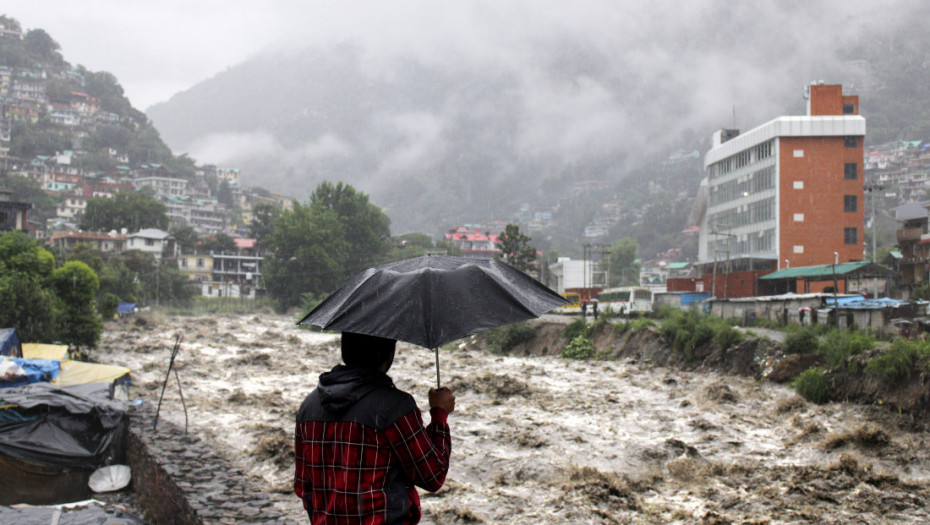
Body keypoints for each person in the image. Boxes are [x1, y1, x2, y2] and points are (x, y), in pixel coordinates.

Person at [295, 331, 455, 524]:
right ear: (389, 355)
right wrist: (439, 415)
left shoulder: (309, 406)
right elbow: (433, 475)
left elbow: (303, 486)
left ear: (345, 349)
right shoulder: (395, 407)